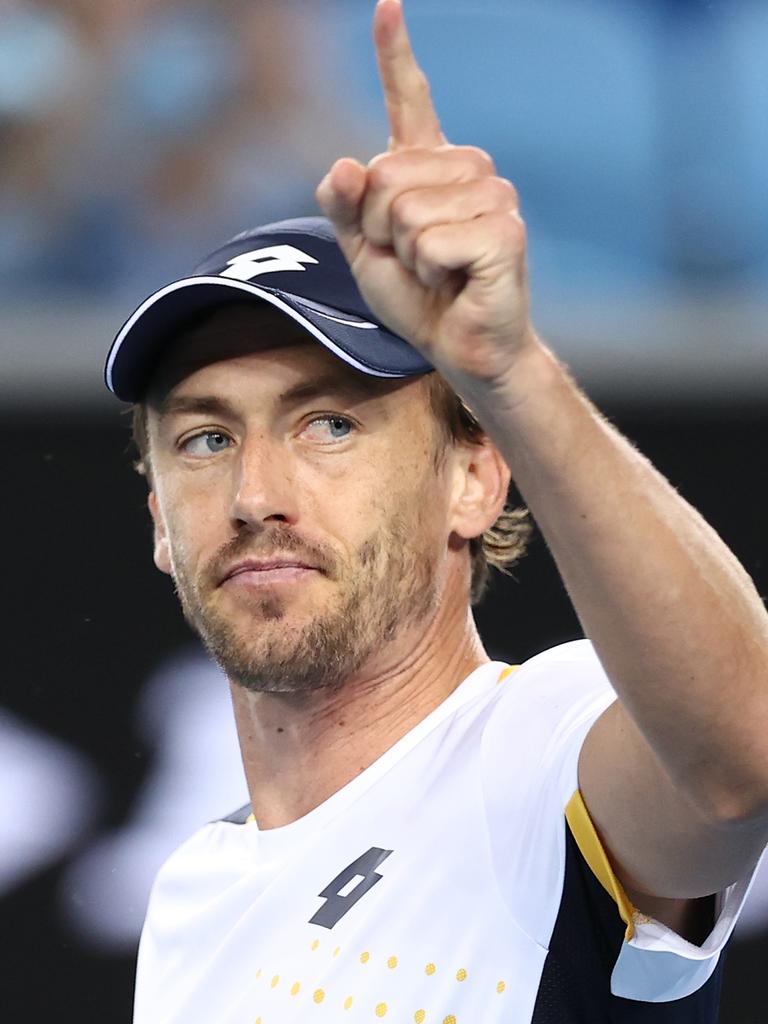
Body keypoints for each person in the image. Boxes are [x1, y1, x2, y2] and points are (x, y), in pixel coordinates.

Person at [104, 2, 768, 1021]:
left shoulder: (545, 740)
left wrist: (510, 368)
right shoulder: (190, 896)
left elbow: (746, 758)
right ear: (158, 519)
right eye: (206, 438)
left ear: (476, 477)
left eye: (329, 425)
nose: (254, 496)